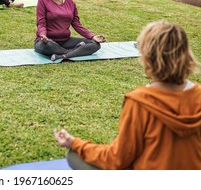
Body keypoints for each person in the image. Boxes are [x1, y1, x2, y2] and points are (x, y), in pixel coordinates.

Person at [54, 20, 201, 170]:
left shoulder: (140, 101)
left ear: (147, 56)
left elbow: (117, 159)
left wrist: (75, 143)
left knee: (74, 156)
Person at [35, 0, 105, 61]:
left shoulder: (70, 2)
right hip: (47, 41)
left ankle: (62, 55)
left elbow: (77, 24)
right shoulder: (42, 1)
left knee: (95, 44)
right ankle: (75, 51)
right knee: (47, 46)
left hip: (65, 40)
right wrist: (43, 35)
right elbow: (41, 23)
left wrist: (92, 36)